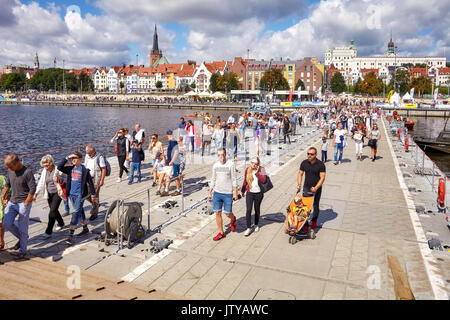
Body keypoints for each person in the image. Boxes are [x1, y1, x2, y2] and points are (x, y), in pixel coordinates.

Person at [57, 151, 96, 245]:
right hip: (71, 194)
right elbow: (59, 167)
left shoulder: (85, 170)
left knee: (75, 213)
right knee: (80, 211)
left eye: (75, 158)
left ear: (80, 159)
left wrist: (93, 195)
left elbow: (90, 183)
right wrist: (67, 157)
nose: (73, 160)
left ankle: (70, 235)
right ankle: (85, 228)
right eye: (72, 159)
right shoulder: (70, 169)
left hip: (80, 195)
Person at [1, 154, 36, 258]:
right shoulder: (10, 170)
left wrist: (26, 204)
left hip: (23, 202)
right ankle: (23, 238)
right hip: (12, 201)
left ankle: (23, 251)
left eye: (10, 166)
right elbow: (7, 184)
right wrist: (3, 197)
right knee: (6, 223)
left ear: (17, 163)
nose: (9, 168)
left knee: (22, 227)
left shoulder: (27, 172)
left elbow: (32, 189)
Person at [208, 148, 238, 241]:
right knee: (217, 212)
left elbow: (234, 179)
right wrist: (210, 192)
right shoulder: (215, 165)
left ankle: (233, 219)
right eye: (219, 155)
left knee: (228, 213)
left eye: (222, 154)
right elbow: (213, 179)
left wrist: (235, 193)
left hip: (227, 193)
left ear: (226, 155)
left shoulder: (231, 164)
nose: (221, 157)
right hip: (217, 192)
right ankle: (221, 233)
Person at [34, 155, 65, 238]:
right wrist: (36, 193)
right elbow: (41, 183)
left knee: (52, 211)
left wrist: (58, 179)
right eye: (43, 164)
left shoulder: (58, 170)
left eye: (47, 164)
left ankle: (48, 231)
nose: (45, 166)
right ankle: (61, 223)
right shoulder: (44, 171)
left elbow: (66, 179)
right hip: (49, 193)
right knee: (54, 210)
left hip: (57, 193)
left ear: (51, 162)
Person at [298, 147, 326, 231]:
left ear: (316, 155)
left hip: (316, 188)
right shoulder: (304, 163)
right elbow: (300, 173)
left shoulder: (320, 164)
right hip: (306, 187)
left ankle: (314, 221)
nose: (309, 156)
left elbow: (322, 177)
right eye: (308, 154)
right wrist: (299, 185)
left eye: (311, 154)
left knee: (315, 205)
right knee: (304, 206)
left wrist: (316, 187)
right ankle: (305, 224)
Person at [241, 157, 267, 236]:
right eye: (252, 162)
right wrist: (242, 190)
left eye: (256, 163)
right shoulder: (247, 170)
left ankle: (256, 224)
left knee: (257, 209)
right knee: (248, 210)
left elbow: (264, 180)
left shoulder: (262, 169)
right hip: (250, 193)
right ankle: (248, 228)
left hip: (259, 193)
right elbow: (245, 181)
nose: (253, 165)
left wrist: (257, 172)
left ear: (258, 164)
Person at [84, 144, 106, 221]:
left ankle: (94, 213)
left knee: (95, 196)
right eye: (87, 153)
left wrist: (102, 180)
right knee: (85, 194)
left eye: (90, 153)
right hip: (87, 178)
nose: (88, 155)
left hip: (96, 179)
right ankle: (96, 204)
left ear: (94, 151)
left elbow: (103, 169)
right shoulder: (87, 156)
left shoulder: (99, 157)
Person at [162, 130, 181, 196]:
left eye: (167, 135)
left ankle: (178, 190)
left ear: (168, 135)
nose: (167, 136)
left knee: (175, 176)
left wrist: (172, 161)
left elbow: (176, 151)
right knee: (168, 175)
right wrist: (166, 155)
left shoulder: (173, 141)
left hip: (174, 161)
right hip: (170, 161)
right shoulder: (171, 141)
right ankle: (166, 190)